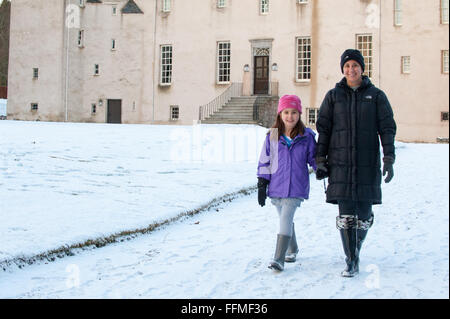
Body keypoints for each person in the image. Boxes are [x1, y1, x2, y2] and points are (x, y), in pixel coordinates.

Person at [315, 49, 397, 277]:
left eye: (355, 65)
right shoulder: (333, 96)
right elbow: (324, 129)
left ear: (362, 68)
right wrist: (320, 160)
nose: (351, 70)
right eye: (347, 66)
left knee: (363, 216)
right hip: (340, 163)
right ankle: (351, 259)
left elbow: (387, 128)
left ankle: (355, 247)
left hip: (366, 164)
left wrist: (388, 158)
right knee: (346, 215)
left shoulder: (377, 96)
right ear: (342, 69)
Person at [257, 94, 317, 271]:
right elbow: (265, 161)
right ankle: (292, 249)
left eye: (294, 112)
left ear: (299, 114)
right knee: (285, 218)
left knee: (285, 218)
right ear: (280, 114)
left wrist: (320, 167)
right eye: (286, 112)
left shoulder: (306, 136)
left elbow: (313, 157)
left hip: (296, 185)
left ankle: (279, 259)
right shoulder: (273, 136)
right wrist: (262, 183)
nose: (290, 116)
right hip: (277, 186)